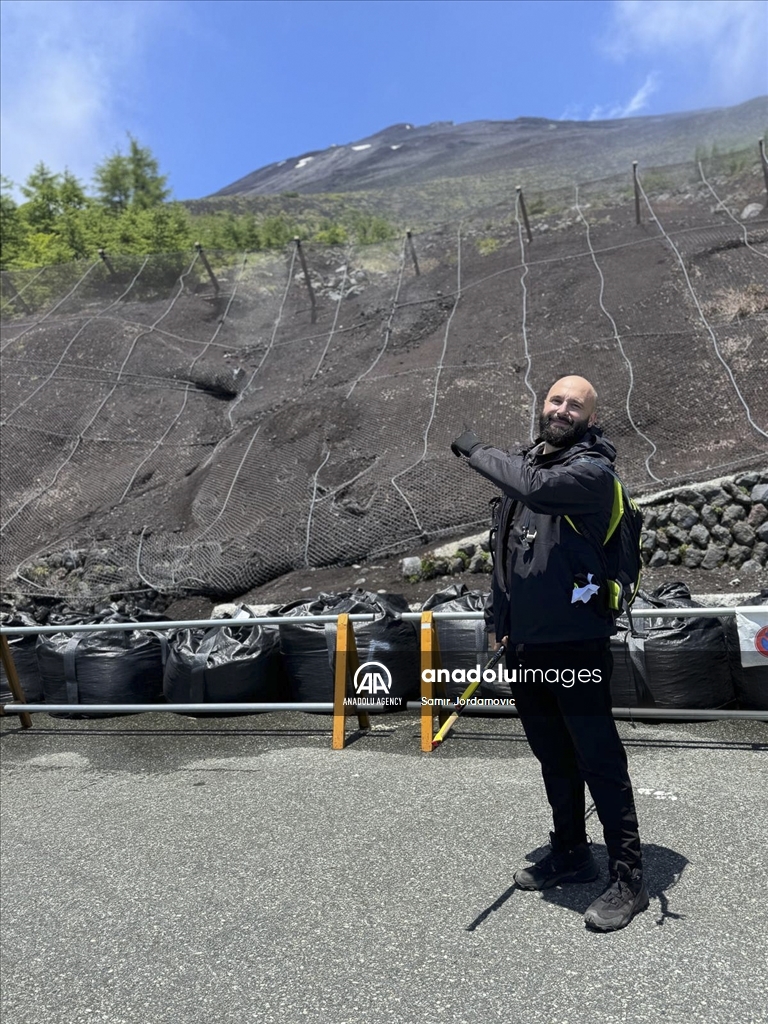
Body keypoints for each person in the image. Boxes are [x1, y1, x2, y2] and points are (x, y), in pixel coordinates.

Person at [451, 374, 648, 932]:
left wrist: (473, 447)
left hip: (576, 644)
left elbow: (534, 489)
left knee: (599, 759)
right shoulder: (530, 472)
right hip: (527, 646)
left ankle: (628, 876)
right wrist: (498, 623)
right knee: (553, 756)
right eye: (556, 399)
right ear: (544, 405)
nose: (562, 409)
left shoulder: (592, 475)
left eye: (575, 405)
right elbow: (506, 561)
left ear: (589, 417)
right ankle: (571, 852)